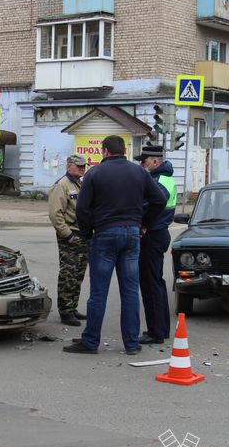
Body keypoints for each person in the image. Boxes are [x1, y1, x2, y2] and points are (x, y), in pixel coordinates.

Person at [63, 135, 167, 356]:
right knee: (130, 291)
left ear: (105, 151)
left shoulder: (94, 173)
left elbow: (82, 209)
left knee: (98, 292)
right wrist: (144, 223)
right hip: (131, 234)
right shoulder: (139, 172)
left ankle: (90, 342)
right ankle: (131, 343)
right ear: (124, 151)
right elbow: (159, 200)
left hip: (105, 234)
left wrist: (88, 233)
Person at [134, 145, 177, 345]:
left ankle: (156, 332)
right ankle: (160, 329)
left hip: (153, 234)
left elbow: (153, 204)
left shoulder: (161, 181)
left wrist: (144, 223)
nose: (142, 164)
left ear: (155, 161)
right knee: (154, 283)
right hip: (156, 233)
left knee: (151, 284)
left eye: (144, 161)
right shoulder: (160, 178)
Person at [48, 154, 88, 326]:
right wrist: (68, 235)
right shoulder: (62, 185)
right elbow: (55, 215)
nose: (82, 169)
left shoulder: (79, 184)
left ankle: (72, 307)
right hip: (70, 234)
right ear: (69, 166)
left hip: (81, 233)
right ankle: (65, 312)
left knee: (78, 274)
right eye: (78, 166)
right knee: (68, 274)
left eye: (83, 166)